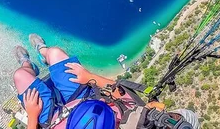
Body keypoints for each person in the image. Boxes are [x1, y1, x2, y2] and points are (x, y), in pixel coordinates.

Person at [13, 34, 200, 129]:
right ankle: (43, 52)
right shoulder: (138, 120)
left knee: (20, 76)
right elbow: (119, 92)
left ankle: (27, 64)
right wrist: (89, 77)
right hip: (83, 98)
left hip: (54, 118)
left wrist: (32, 116)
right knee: (55, 53)